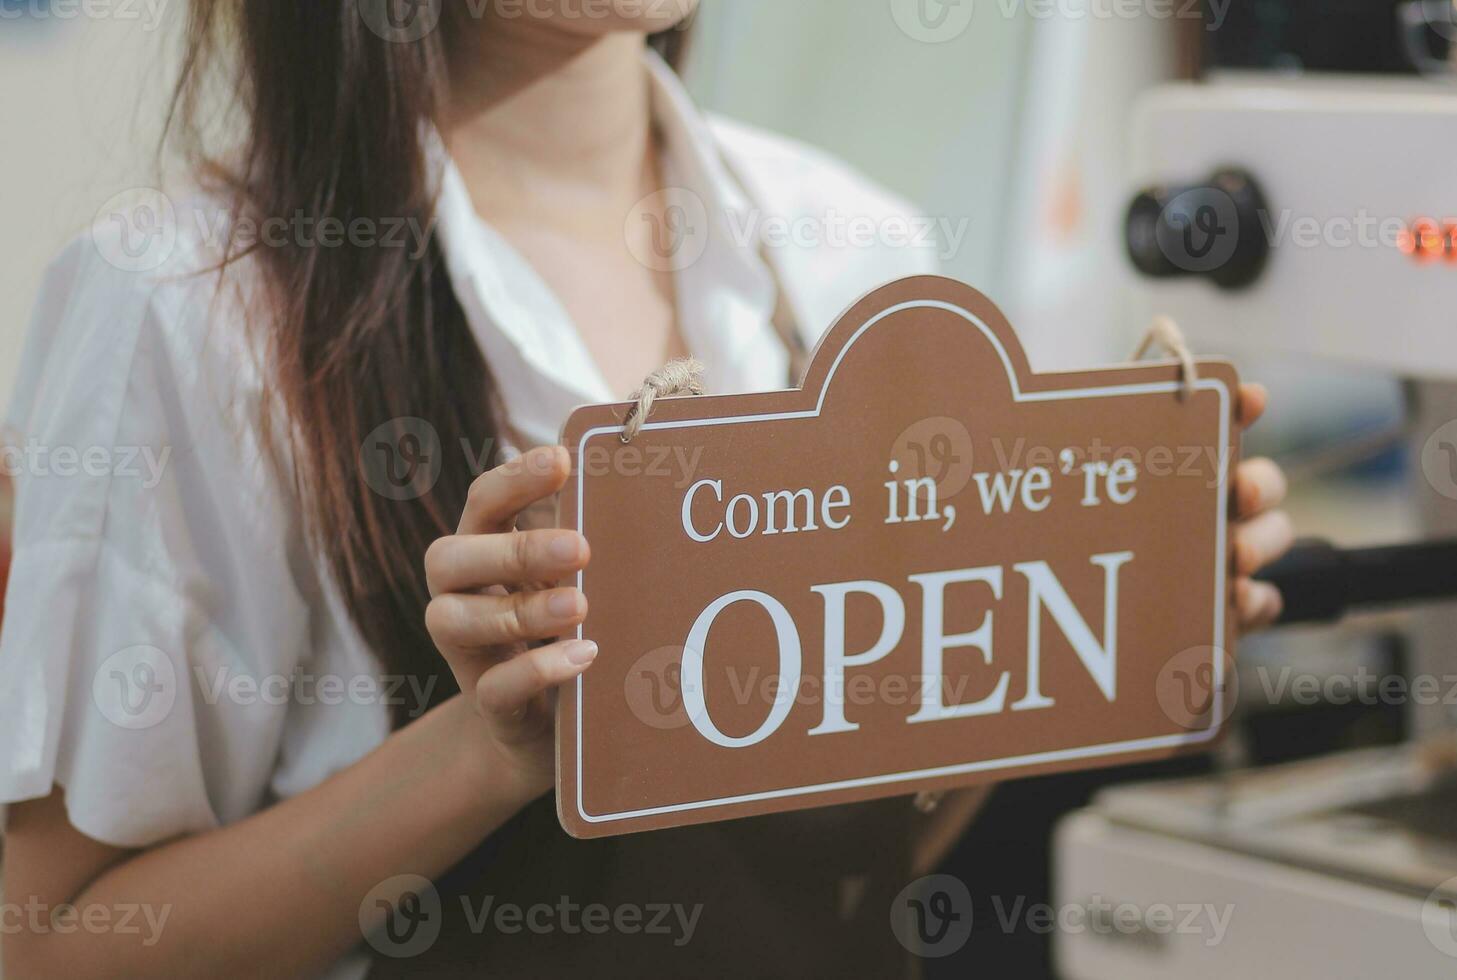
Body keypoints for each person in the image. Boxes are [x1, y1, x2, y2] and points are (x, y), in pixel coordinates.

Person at [0, 3, 1294, 977]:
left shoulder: (855, 249)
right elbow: (45, 941)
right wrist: (481, 755)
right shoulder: (183, 307)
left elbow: (868, 851)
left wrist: (1089, 637)